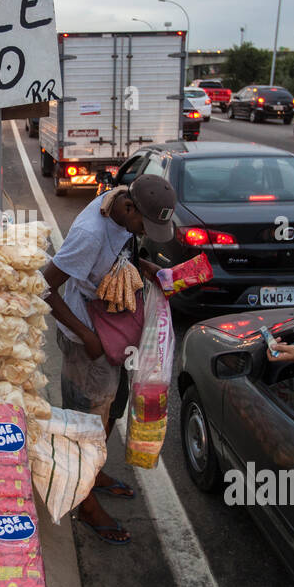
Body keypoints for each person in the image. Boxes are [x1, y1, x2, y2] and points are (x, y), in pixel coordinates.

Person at [40, 176, 177, 545]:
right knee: (83, 425)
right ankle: (84, 506)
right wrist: (87, 338)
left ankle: (94, 473)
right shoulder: (90, 233)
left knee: (110, 410)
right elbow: (43, 287)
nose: (144, 232)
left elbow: (123, 249)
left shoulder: (119, 202)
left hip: (111, 331)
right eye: (144, 226)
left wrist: (145, 266)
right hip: (88, 340)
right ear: (130, 209)